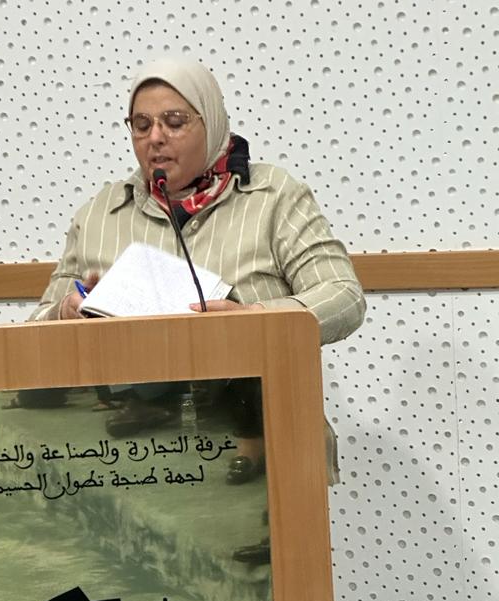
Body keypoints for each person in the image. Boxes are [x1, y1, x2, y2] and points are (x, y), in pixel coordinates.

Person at [28, 56, 366, 489]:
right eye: (141, 125)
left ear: (212, 121)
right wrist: (64, 313)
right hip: (137, 461)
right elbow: (33, 331)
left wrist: (259, 318)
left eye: (174, 122)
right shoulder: (100, 214)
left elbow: (344, 296)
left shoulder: (274, 197)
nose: (155, 137)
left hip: (267, 447)